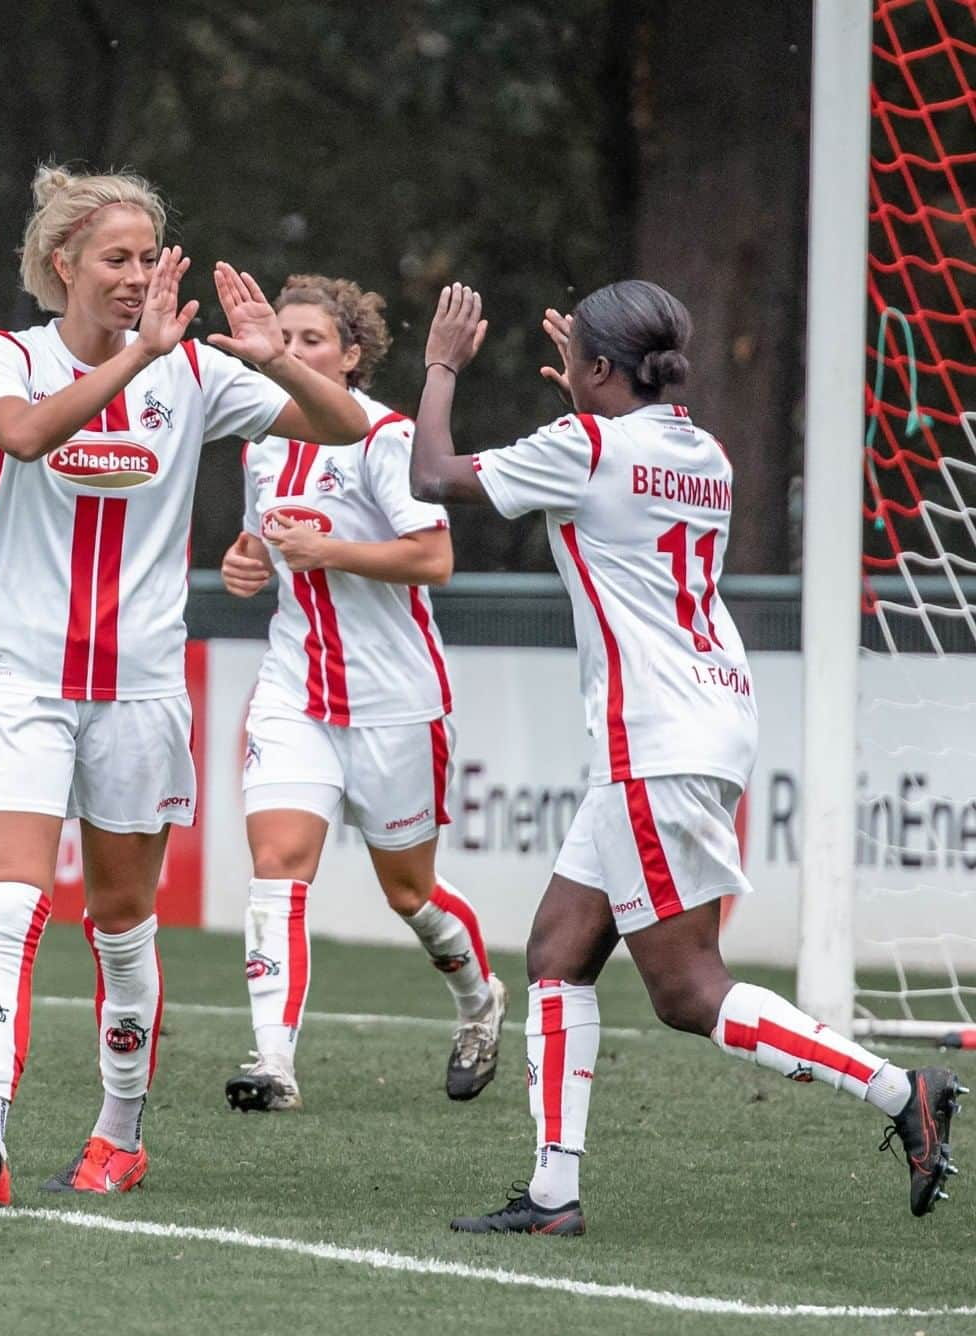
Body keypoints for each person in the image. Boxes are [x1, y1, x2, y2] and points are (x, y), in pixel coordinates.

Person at [408, 279, 965, 1233]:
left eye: (581, 356)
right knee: (556, 953)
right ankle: (552, 1197)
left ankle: (899, 1090)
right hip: (708, 714)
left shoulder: (584, 446)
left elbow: (432, 476)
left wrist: (441, 365)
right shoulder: (702, 449)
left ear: (595, 370)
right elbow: (618, 481)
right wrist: (584, 399)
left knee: (686, 988)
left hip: (652, 735)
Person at [0, 166, 369, 1207]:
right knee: (5, 908)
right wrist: (140, 355)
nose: (137, 277)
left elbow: (348, 427)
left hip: (138, 691)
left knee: (122, 925)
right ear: (63, 265)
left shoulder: (194, 374)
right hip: (22, 684)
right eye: (116, 260)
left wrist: (279, 365)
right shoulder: (9, 357)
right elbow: (25, 438)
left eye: (148, 259)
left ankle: (118, 1136)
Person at [218, 273, 506, 1113]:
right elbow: (260, 542)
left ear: (351, 356)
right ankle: (273, 1064)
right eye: (286, 337)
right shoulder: (263, 439)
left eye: (312, 341)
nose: (293, 351)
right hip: (294, 690)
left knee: (409, 894)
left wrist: (332, 551)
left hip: (394, 702)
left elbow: (434, 560)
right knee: (278, 863)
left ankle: (478, 1001)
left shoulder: (385, 437)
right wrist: (245, 561)